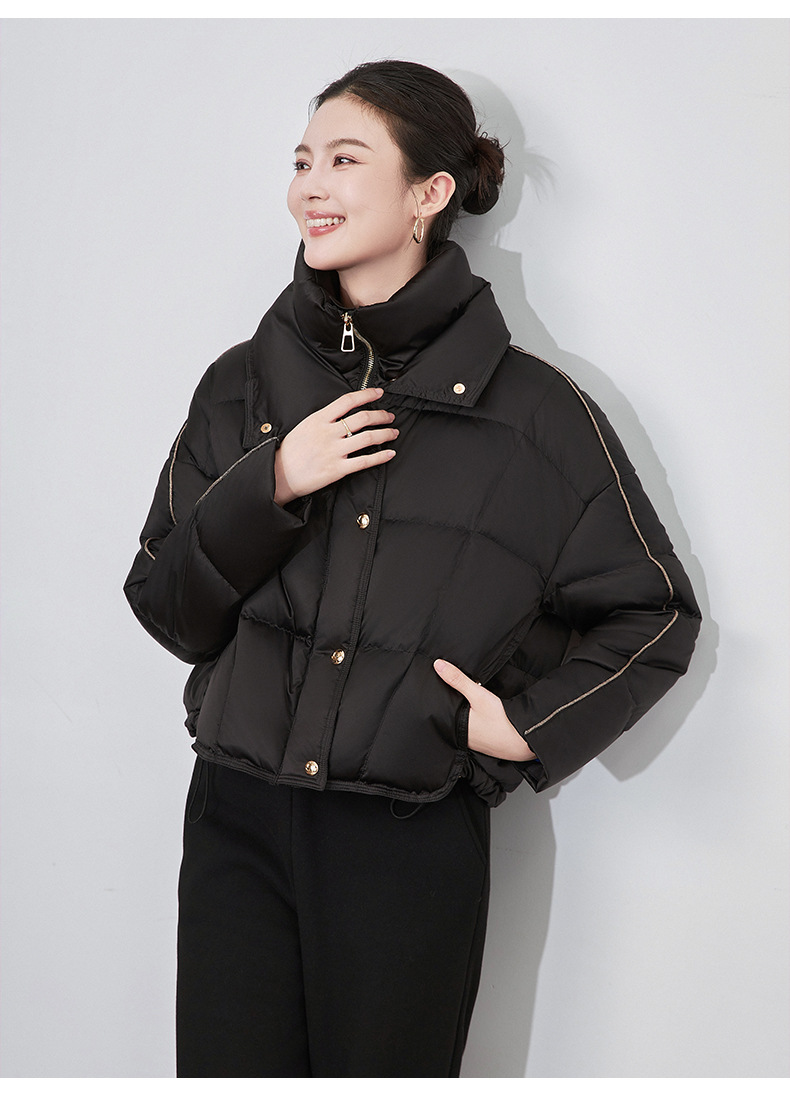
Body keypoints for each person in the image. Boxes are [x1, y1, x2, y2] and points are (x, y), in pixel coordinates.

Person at [124, 60, 701, 1078]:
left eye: (345, 160)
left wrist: (524, 728)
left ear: (430, 193)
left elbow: (653, 614)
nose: (310, 186)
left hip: (404, 841)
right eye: (302, 160)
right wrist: (272, 484)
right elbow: (168, 608)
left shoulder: (535, 417)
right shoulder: (240, 386)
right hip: (233, 814)